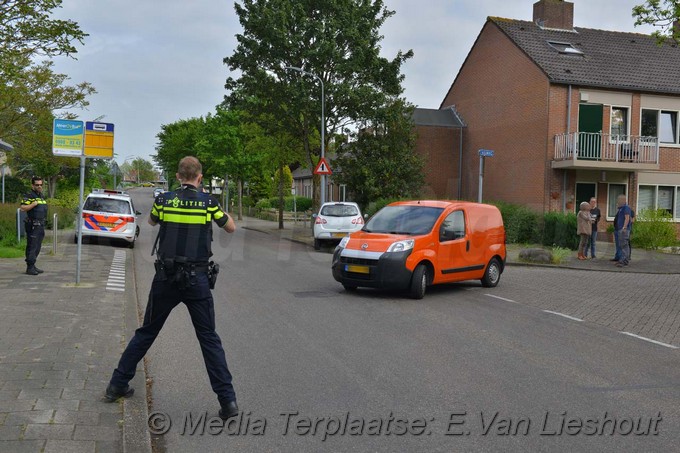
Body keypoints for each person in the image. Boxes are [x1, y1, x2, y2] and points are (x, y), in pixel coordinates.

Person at [105, 156, 240, 420]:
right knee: (208, 338)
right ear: (199, 178)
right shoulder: (209, 203)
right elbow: (231, 228)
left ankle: (117, 384)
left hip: (166, 278)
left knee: (147, 332)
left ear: (178, 176)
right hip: (197, 280)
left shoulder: (164, 200)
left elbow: (153, 222)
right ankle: (228, 401)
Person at [20, 176, 48, 275]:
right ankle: (30, 267)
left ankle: (33, 264)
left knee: (37, 246)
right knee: (32, 246)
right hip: (33, 225)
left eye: (41, 185)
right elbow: (23, 208)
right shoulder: (29, 195)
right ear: (32, 185)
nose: (39, 186)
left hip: (40, 225)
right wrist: (33, 204)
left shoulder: (41, 195)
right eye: (37, 185)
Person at [613, 194, 632, 267]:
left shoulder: (626, 208)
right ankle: (622, 260)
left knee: (624, 246)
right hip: (620, 229)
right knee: (621, 245)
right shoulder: (621, 208)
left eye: (619, 200)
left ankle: (624, 261)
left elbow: (627, 218)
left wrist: (624, 227)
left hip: (624, 230)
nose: (618, 202)